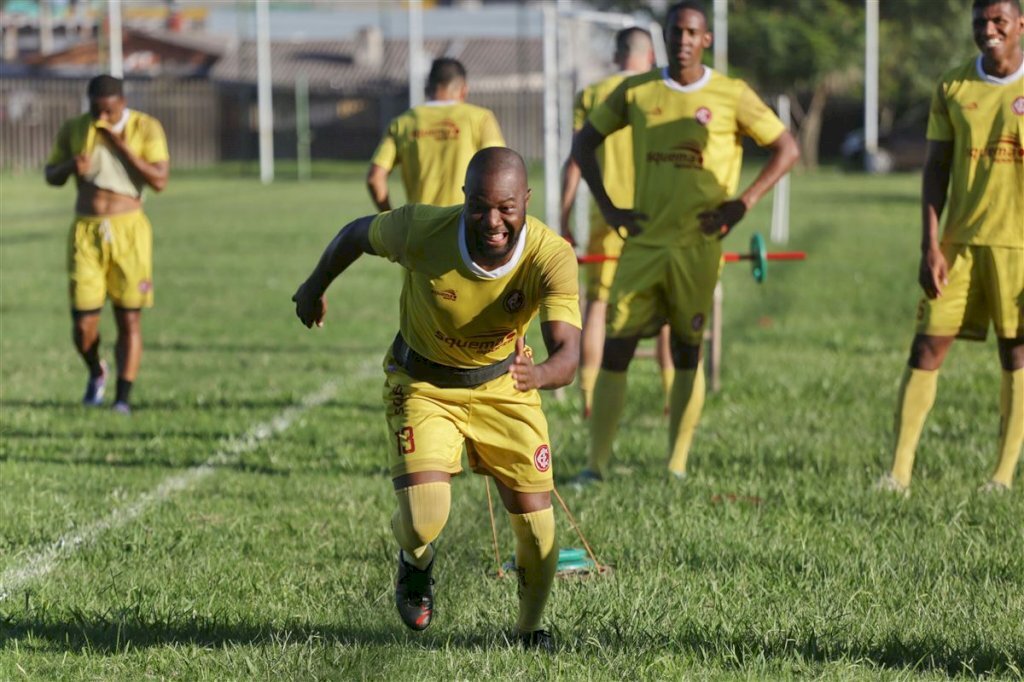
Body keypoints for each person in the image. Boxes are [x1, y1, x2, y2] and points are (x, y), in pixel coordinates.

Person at [293, 147, 581, 649]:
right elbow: (357, 234)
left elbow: (569, 355)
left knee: (538, 530)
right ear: (464, 198)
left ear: (527, 201)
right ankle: (416, 563)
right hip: (423, 384)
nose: (493, 221)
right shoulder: (421, 230)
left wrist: (540, 375)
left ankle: (530, 631)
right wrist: (315, 284)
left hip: (507, 386)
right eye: (480, 205)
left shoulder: (550, 255)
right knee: (424, 517)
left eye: (507, 208)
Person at [570, 0, 800, 483]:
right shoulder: (638, 91)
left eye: (692, 32)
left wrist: (744, 203)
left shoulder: (730, 93)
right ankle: (595, 465)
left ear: (706, 39)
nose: (683, 40)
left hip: (698, 247)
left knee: (687, 350)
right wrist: (610, 209)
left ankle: (676, 463)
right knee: (618, 347)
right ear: (665, 37)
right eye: (676, 32)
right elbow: (583, 144)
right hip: (643, 245)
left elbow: (786, 147)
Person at [877, 0, 1023, 495]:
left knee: (1017, 354)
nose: (988, 29)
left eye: (999, 20)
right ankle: (898, 473)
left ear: (1020, 24)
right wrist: (929, 244)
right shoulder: (953, 85)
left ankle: (1001, 476)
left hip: (1018, 248)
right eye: (980, 21)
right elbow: (935, 169)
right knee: (926, 347)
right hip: (957, 244)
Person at [560, 27, 676, 419]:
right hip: (653, 217)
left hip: (605, 218)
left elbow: (575, 160)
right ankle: (669, 397)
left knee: (597, 306)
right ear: (649, 56)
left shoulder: (591, 95)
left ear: (616, 55)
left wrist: (562, 217)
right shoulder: (659, 89)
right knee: (662, 312)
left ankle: (589, 398)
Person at [44, 75, 170, 415]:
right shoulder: (75, 128)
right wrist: (71, 167)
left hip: (129, 232)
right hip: (85, 232)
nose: (102, 116)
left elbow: (159, 180)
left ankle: (122, 399)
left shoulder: (146, 127)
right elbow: (50, 174)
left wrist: (119, 144)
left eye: (109, 110)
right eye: (96, 109)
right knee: (83, 325)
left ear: (122, 102)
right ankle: (97, 370)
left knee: (129, 319)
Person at [367, 57, 505, 210]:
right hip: (463, 222)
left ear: (429, 87)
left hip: (419, 225)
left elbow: (375, 178)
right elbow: (499, 169)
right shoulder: (481, 118)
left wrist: (389, 217)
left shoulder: (403, 123)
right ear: (464, 89)